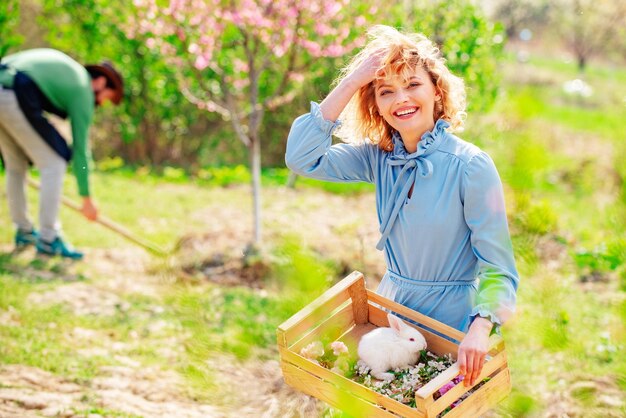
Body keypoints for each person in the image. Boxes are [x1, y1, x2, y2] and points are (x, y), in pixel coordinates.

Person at [285, 26, 519, 387]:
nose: (401, 99)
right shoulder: (379, 158)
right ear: (375, 105)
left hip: (452, 319)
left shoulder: (471, 165)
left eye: (413, 85)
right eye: (386, 91)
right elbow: (302, 158)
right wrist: (352, 82)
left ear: (437, 91)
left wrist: (481, 326)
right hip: (395, 312)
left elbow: (499, 267)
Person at [0, 48, 124, 259]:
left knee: (16, 166)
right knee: (55, 163)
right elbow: (81, 150)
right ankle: (48, 238)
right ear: (101, 83)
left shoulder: (70, 74)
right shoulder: (83, 89)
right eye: (106, 98)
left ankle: (24, 232)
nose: (102, 104)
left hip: (5, 87)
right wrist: (86, 197)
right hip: (16, 92)